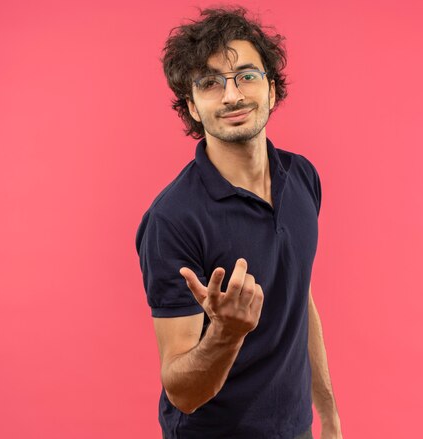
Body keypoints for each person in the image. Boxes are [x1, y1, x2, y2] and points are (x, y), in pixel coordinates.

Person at [135, 7, 343, 439]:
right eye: (210, 83)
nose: (232, 96)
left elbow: (298, 297)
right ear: (191, 106)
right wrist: (228, 333)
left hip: (295, 430)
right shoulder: (172, 220)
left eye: (247, 76)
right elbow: (182, 392)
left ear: (271, 90)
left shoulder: (302, 177)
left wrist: (329, 415)